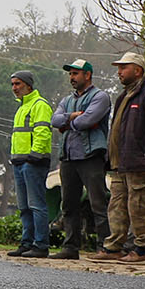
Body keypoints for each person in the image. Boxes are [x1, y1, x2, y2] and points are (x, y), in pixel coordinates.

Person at [90, 51, 145, 263]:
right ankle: (114, 247)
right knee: (117, 205)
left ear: (137, 71)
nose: (119, 72)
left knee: (139, 207)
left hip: (140, 163)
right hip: (121, 164)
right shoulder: (124, 96)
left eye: (123, 67)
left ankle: (141, 249)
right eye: (118, 68)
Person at [48, 59, 111, 259]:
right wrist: (72, 117)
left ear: (87, 75)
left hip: (90, 156)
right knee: (68, 204)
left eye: (75, 73)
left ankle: (105, 246)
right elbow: (54, 120)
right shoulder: (67, 100)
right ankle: (70, 247)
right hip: (68, 157)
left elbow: (88, 120)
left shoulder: (100, 97)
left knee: (98, 203)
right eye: (70, 74)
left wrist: (67, 122)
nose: (72, 78)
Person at [6, 70, 55, 258]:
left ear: (28, 85)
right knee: (24, 207)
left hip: (33, 163)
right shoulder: (22, 107)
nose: (14, 88)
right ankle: (26, 243)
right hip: (19, 162)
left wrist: (34, 156)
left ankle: (41, 245)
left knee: (36, 205)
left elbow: (43, 132)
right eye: (12, 84)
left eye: (17, 84)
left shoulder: (39, 105)